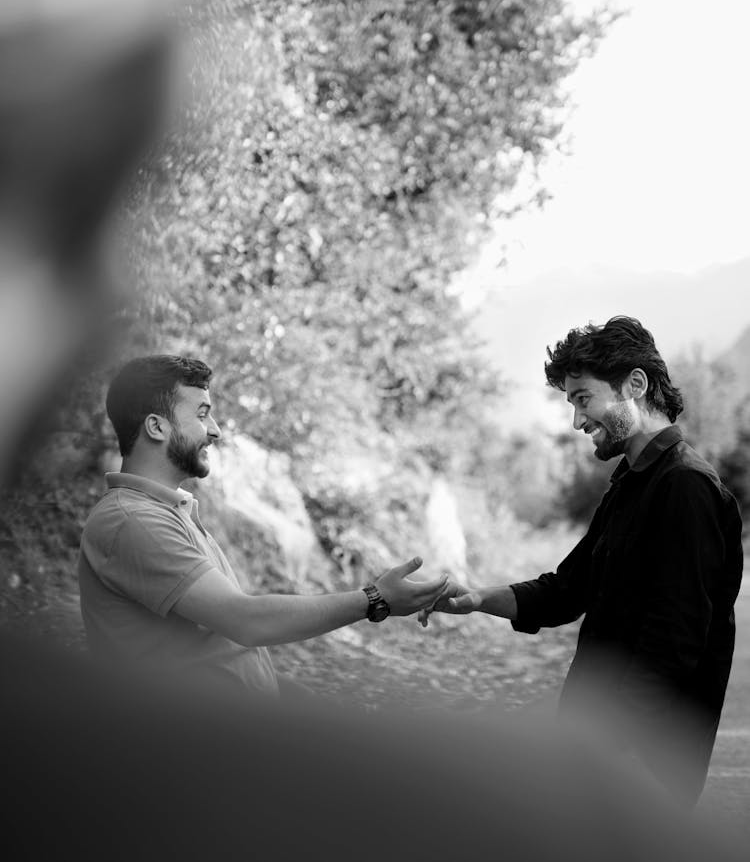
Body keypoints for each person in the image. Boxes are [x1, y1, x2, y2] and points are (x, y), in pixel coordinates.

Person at [420, 316, 744, 806]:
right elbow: (568, 589)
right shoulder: (630, 483)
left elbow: (673, 640)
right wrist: (476, 599)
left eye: (583, 398)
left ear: (635, 384)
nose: (577, 421)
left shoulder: (685, 486)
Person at [78, 354, 448, 696]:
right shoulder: (133, 522)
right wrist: (374, 599)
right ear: (156, 427)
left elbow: (217, 646)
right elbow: (246, 621)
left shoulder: (166, 510)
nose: (216, 430)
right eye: (203, 414)